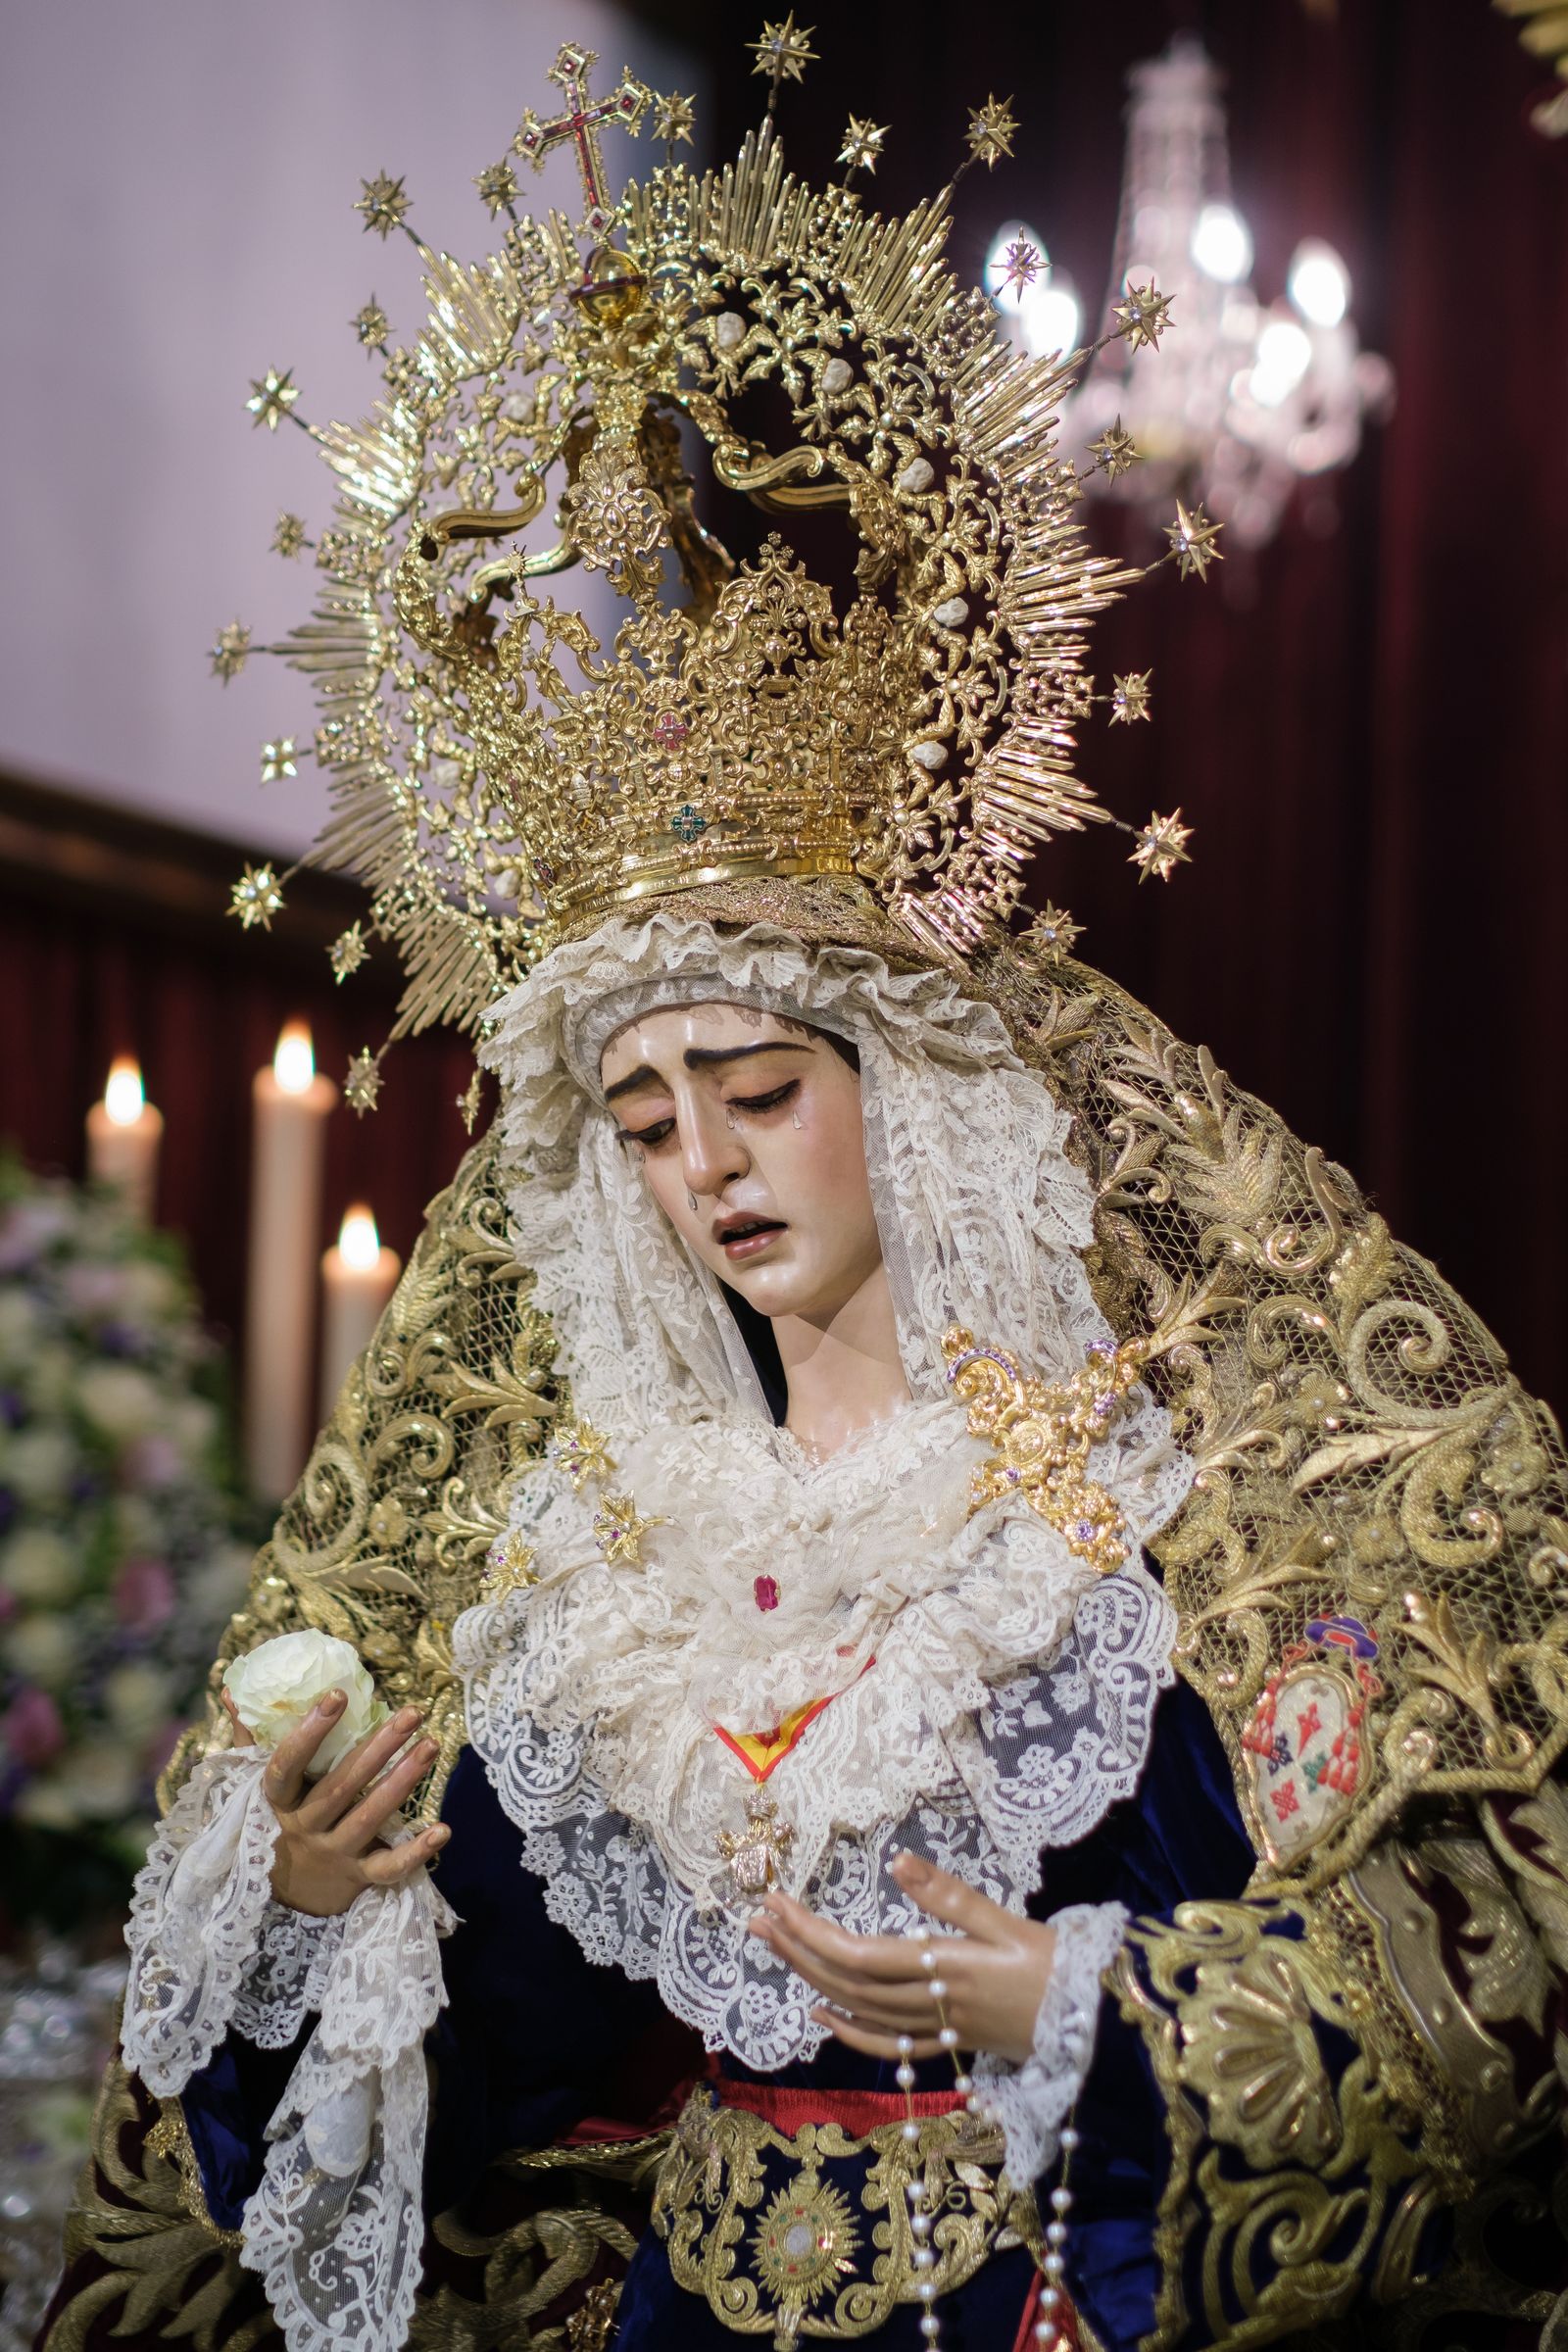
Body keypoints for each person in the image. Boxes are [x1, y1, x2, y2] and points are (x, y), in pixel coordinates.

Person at [39, 34, 1568, 2352]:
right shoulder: (609, 1564)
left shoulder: (1119, 1500)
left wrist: (1073, 2000)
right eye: (641, 1123)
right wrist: (323, 1924)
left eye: (751, 1088)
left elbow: (1466, 1932)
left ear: (907, 1091)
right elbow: (490, 2097)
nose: (702, 1167)